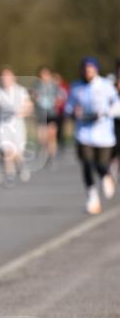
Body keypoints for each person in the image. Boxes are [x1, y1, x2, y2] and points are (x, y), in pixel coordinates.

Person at [65, 56, 119, 214]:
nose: (87, 72)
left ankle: (106, 175)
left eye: (90, 70)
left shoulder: (106, 85)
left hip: (103, 134)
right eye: (85, 70)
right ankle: (92, 198)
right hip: (84, 133)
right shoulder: (76, 87)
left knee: (101, 165)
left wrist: (104, 113)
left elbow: (117, 104)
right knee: (87, 164)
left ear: (95, 70)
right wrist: (74, 113)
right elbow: (68, 108)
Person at [0, 68, 33, 186]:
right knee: (7, 152)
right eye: (3, 77)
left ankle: (21, 165)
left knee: (17, 153)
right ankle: (9, 176)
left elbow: (29, 107)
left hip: (17, 126)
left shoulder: (20, 91)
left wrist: (23, 112)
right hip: (3, 126)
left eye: (7, 77)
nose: (5, 79)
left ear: (13, 77)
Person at [30, 66, 66, 166]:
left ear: (49, 75)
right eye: (42, 75)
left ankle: (51, 156)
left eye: (46, 74)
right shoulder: (36, 85)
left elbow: (62, 95)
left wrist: (58, 101)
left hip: (52, 114)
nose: (44, 77)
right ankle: (44, 152)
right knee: (42, 138)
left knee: (51, 136)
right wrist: (33, 97)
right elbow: (31, 96)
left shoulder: (54, 85)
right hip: (40, 114)